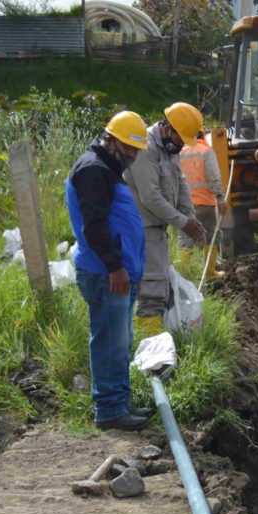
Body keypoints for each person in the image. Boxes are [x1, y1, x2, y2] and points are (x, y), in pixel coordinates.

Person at [66, 111, 152, 431]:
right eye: (128, 148)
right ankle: (109, 409)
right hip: (105, 273)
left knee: (121, 340)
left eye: (135, 150)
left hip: (118, 272)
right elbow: (95, 225)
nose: (132, 155)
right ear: (111, 139)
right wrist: (116, 267)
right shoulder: (93, 170)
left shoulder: (106, 168)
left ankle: (119, 402)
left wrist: (133, 270)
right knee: (110, 341)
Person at [127, 102, 209, 335]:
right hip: (143, 228)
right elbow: (150, 197)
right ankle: (151, 354)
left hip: (158, 229)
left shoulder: (170, 149)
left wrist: (191, 218)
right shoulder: (145, 148)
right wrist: (183, 223)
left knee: (160, 288)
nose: (182, 144)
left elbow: (181, 184)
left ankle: (159, 342)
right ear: (167, 127)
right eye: (180, 137)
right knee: (152, 290)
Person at [178, 130, 225, 281]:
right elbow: (214, 176)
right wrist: (220, 197)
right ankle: (210, 272)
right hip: (205, 203)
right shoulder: (206, 151)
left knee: (185, 237)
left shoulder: (181, 152)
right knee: (211, 235)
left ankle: (182, 275)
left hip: (185, 204)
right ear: (203, 136)